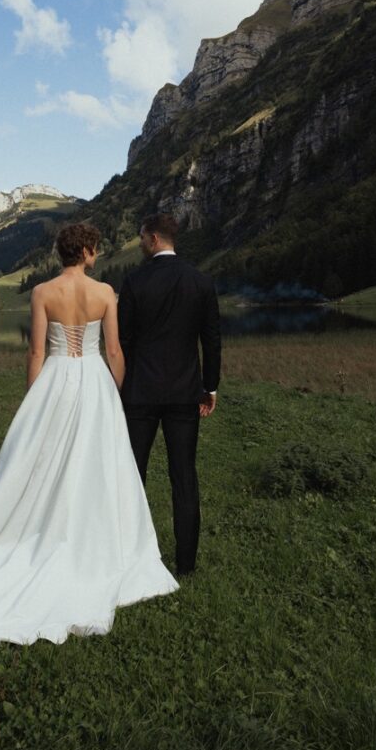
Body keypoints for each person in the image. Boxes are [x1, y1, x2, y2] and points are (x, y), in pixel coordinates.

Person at [0, 223, 177, 652]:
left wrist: (34, 400)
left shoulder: (42, 293)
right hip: (94, 381)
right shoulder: (106, 293)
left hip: (55, 379)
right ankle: (96, 537)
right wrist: (121, 392)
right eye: (94, 248)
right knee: (98, 461)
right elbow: (113, 351)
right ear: (88, 252)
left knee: (42, 460)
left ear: (61, 253)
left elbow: (37, 352)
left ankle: (38, 532)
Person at [118, 213, 221, 577]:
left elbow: (123, 341)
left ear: (155, 238)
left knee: (132, 475)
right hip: (184, 393)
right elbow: (211, 340)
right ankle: (186, 565)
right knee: (184, 477)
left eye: (143, 237)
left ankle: (128, 558)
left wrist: (122, 385)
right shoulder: (201, 281)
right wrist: (209, 387)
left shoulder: (133, 281)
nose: (141, 243)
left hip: (140, 393)